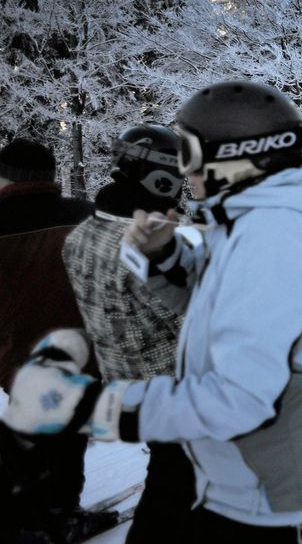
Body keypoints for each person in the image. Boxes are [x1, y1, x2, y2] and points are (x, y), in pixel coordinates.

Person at [3, 81, 302, 542]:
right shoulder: (242, 223)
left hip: (268, 486)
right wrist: (167, 261)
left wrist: (92, 407)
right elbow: (215, 306)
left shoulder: (270, 242)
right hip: (234, 467)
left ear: (237, 157)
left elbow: (240, 398)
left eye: (192, 154)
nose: (186, 174)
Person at [61, 124, 193, 543]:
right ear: (159, 178)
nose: (180, 188)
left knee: (173, 475)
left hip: (127, 379)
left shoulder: (86, 229)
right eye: (177, 178)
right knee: (177, 485)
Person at [0, 137, 108, 543]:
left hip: (18, 359)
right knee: (66, 442)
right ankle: (59, 516)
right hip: (83, 355)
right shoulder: (87, 216)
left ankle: (28, 520)